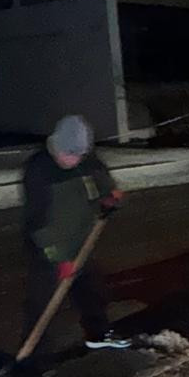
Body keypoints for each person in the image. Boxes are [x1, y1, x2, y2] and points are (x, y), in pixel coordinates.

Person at [22, 114, 128, 353]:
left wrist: (111, 197)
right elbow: (36, 223)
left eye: (78, 155)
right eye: (68, 154)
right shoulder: (39, 169)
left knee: (93, 293)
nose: (72, 160)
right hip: (49, 251)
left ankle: (98, 334)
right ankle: (31, 359)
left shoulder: (88, 162)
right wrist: (58, 259)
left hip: (82, 244)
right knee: (42, 308)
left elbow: (105, 186)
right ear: (56, 145)